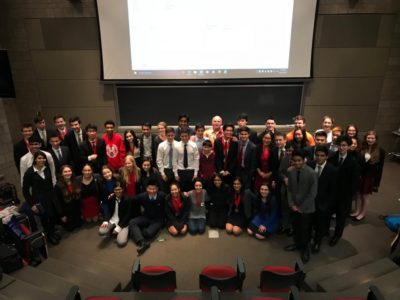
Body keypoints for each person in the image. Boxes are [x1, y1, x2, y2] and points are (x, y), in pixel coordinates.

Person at [284, 148, 317, 264]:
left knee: (305, 229)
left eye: (299, 160)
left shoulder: (311, 173)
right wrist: (292, 204)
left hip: (306, 208)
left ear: (304, 160)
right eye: (295, 160)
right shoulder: (291, 172)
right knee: (296, 227)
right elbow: (289, 189)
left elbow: (312, 193)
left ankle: (305, 249)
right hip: (294, 206)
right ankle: (297, 244)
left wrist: (301, 208)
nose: (297, 163)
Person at [22, 151, 60, 245]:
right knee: (44, 218)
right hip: (39, 199)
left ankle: (52, 232)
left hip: (49, 196)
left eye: (43, 158)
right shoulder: (29, 172)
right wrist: (32, 204)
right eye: (39, 158)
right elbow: (25, 190)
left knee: (51, 215)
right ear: (35, 159)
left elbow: (50, 183)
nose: (42, 160)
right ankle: (49, 235)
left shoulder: (46, 169)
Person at [328, 135, 360, 246]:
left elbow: (355, 182)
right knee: (328, 214)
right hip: (332, 194)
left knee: (341, 217)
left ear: (348, 146)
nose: (341, 148)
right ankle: (324, 232)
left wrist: (349, 196)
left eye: (344, 145)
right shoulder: (331, 158)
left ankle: (337, 235)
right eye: (339, 145)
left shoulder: (353, 161)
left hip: (344, 196)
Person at [308, 146, 337, 253]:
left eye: (322, 156)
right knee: (309, 222)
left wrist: (327, 206)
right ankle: (307, 239)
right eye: (317, 155)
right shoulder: (310, 165)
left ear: (327, 156)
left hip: (322, 204)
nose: (319, 158)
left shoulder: (332, 170)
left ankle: (317, 242)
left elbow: (333, 191)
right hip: (310, 202)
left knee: (320, 225)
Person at [353, 131, 385, 221]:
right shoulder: (362, 148)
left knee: (364, 196)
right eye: (368, 138)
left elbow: (380, 168)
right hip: (360, 174)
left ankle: (362, 213)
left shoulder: (381, 151)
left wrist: (377, 182)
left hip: (370, 176)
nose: (370, 140)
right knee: (358, 194)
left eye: (372, 138)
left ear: (376, 139)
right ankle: (357, 211)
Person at [129, 180, 166, 255]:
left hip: (158, 220)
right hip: (146, 217)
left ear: (157, 189)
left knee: (147, 233)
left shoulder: (162, 195)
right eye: (150, 188)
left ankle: (137, 233)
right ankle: (143, 242)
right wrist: (115, 195)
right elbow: (131, 200)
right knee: (132, 222)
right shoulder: (142, 196)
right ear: (146, 189)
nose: (152, 191)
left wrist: (184, 194)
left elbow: (172, 197)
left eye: (154, 189)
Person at [98, 182, 132, 247]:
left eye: (119, 189)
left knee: (121, 242)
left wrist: (119, 227)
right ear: (113, 191)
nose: (118, 191)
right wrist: (105, 220)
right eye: (116, 190)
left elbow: (128, 215)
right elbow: (108, 211)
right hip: (113, 220)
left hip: (123, 222)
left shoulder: (128, 199)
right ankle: (112, 229)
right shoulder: (111, 198)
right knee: (101, 231)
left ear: (123, 189)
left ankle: (120, 231)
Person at [54, 165, 82, 232]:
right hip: (66, 211)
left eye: (69, 171)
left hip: (76, 208)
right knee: (70, 229)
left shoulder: (76, 181)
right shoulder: (58, 186)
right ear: (61, 174)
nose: (68, 173)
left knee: (79, 225)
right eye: (65, 172)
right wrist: (62, 215)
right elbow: (57, 202)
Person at [157, 127, 178, 193]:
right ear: (166, 135)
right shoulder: (161, 145)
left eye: (172, 135)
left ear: (174, 135)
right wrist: (162, 173)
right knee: (166, 190)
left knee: (175, 189)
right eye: (168, 135)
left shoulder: (178, 144)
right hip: (166, 170)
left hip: (176, 169)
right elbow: (159, 160)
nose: (170, 137)